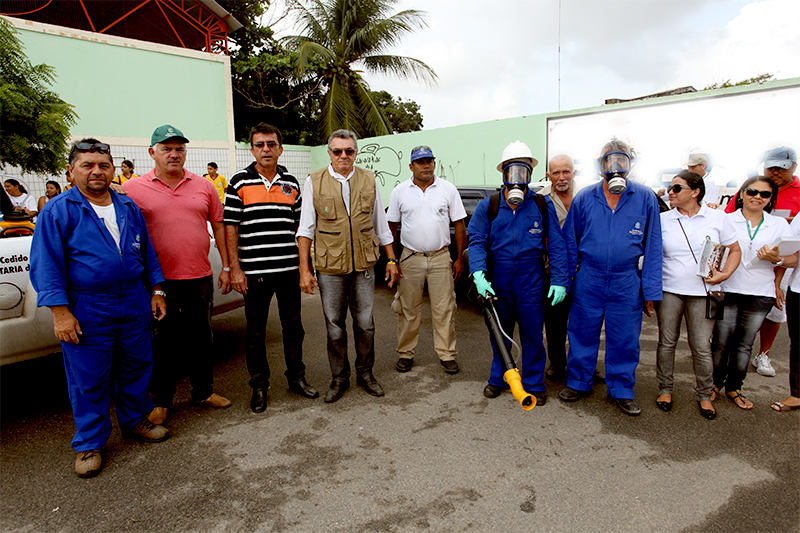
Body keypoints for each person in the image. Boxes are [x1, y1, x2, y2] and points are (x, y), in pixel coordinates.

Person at [30, 139, 169, 478]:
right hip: (88, 305)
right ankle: (89, 442)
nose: (96, 171)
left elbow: (146, 250)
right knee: (89, 378)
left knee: (137, 365)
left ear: (111, 169)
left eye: (103, 165)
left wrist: (157, 289)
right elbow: (45, 264)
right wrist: (60, 312)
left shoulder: (126, 206)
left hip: (133, 299)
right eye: (87, 165)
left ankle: (136, 421)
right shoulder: (58, 210)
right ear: (71, 170)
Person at [124, 125, 232, 425]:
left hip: (199, 276)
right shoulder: (132, 188)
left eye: (179, 149)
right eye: (166, 148)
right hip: (158, 282)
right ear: (152, 152)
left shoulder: (204, 186)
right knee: (162, 341)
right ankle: (161, 400)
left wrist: (226, 266)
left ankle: (203, 391)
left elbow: (219, 225)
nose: (174, 154)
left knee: (201, 337)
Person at [559, 139, 662, 416]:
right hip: (588, 277)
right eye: (609, 160)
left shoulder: (645, 197)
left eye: (622, 159)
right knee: (581, 332)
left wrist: (651, 291)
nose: (615, 165)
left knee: (625, 337)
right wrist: (567, 280)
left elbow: (653, 246)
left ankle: (622, 389)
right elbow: (569, 240)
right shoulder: (585, 198)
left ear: (631, 163)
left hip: (626, 279)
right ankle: (579, 382)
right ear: (600, 164)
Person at [297, 129, 399, 403]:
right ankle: (339, 378)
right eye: (337, 151)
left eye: (349, 151)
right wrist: (304, 271)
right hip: (330, 268)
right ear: (329, 153)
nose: (344, 156)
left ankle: (365, 373)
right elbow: (305, 229)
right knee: (334, 325)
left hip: (364, 265)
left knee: (365, 324)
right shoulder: (314, 182)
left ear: (356, 153)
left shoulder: (369, 179)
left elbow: (381, 224)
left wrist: (391, 259)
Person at [225, 123, 317, 413]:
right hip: (255, 273)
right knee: (255, 332)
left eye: (271, 144)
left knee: (294, 328)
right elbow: (230, 228)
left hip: (289, 270)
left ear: (280, 148)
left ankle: (296, 378)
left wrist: (306, 269)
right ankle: (260, 386)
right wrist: (234, 268)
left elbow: (302, 228)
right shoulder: (238, 182)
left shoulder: (291, 182)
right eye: (260, 144)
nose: (266, 149)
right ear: (252, 149)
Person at [468, 141, 569, 406]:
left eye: (522, 173)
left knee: (533, 333)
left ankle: (534, 382)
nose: (517, 179)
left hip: (531, 279)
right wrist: (478, 274)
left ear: (530, 175)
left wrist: (560, 280)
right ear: (503, 175)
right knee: (499, 332)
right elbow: (476, 241)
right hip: (498, 278)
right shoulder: (487, 206)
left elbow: (557, 245)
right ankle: (500, 378)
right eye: (512, 172)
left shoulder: (541, 205)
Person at [656, 170, 741, 420]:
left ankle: (705, 395)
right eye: (670, 188)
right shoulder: (663, 219)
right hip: (670, 289)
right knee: (666, 343)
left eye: (677, 188)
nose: (670, 192)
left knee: (702, 347)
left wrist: (724, 275)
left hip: (704, 293)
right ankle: (664, 389)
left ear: (695, 192)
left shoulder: (717, 217)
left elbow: (735, 250)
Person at [712, 176, 791, 410]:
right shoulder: (725, 220)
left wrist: (777, 271)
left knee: (744, 344)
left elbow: (785, 261)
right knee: (721, 342)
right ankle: (714, 384)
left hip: (760, 291)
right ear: (742, 193)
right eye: (752, 191)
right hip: (728, 288)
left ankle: (735, 387)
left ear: (770, 199)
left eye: (764, 194)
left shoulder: (779, 225)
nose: (757, 196)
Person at [387, 145, 467, 374]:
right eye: (420, 162)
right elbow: (391, 227)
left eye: (429, 161)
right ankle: (405, 353)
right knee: (407, 308)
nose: (425, 166)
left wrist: (459, 258)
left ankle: (447, 354)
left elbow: (459, 225)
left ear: (434, 163)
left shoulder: (448, 189)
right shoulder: (399, 191)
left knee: (444, 309)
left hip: (441, 257)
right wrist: (392, 259)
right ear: (411, 166)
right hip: (410, 257)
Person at [726, 148, 799, 378]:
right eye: (771, 167)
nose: (776, 172)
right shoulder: (746, 192)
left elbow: (792, 251)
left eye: (782, 168)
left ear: (793, 168)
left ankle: (764, 354)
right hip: (737, 269)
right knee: (727, 332)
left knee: (774, 314)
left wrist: (777, 277)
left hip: (777, 263)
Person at [543, 154, 575, 380]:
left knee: (584, 322)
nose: (561, 177)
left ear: (574, 173)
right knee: (554, 322)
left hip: (583, 269)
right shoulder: (541, 199)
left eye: (566, 172)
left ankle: (583, 364)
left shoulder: (588, 197)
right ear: (548, 176)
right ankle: (556, 363)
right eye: (556, 173)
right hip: (551, 270)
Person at [771, 215, 800, 411]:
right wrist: (777, 283)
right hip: (799, 288)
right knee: (798, 343)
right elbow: (788, 251)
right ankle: (797, 394)